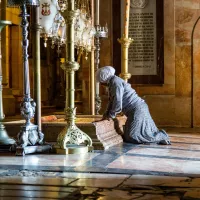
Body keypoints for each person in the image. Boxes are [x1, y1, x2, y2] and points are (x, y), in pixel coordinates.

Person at [96, 66, 171, 145]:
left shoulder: (115, 82)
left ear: (103, 78)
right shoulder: (113, 81)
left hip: (137, 109)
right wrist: (106, 114)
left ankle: (162, 136)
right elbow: (112, 101)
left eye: (100, 81)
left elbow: (117, 102)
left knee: (132, 136)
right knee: (135, 134)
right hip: (137, 109)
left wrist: (111, 115)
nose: (101, 84)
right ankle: (159, 136)